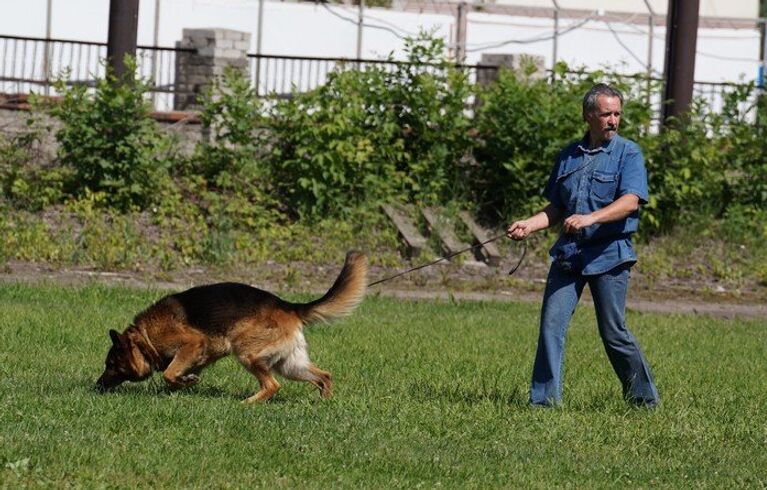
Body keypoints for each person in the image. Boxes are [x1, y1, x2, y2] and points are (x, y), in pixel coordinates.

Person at [506, 83, 659, 408]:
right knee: (551, 326)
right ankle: (543, 403)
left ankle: (644, 401)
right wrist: (529, 225)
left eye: (617, 114)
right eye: (606, 114)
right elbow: (557, 208)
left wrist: (591, 218)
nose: (613, 121)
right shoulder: (568, 156)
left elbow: (630, 202)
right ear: (589, 115)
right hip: (570, 255)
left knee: (613, 333)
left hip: (610, 254)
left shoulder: (628, 153)